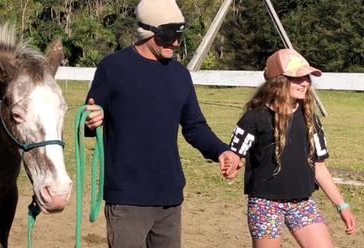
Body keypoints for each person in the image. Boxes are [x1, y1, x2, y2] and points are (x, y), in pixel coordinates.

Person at [83, 0, 242, 247]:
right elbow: (89, 117)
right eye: (168, 35)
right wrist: (92, 120)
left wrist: (221, 150)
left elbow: (194, 126)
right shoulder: (112, 68)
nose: (176, 42)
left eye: (179, 34)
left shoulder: (180, 75)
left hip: (170, 197)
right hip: (128, 199)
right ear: (147, 31)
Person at [228, 48, 356, 247]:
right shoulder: (254, 118)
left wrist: (342, 206)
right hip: (265, 205)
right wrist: (231, 164)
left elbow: (319, 169)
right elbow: (233, 155)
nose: (304, 82)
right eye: (296, 78)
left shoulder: (309, 119)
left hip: (302, 203)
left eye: (306, 77)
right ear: (277, 81)